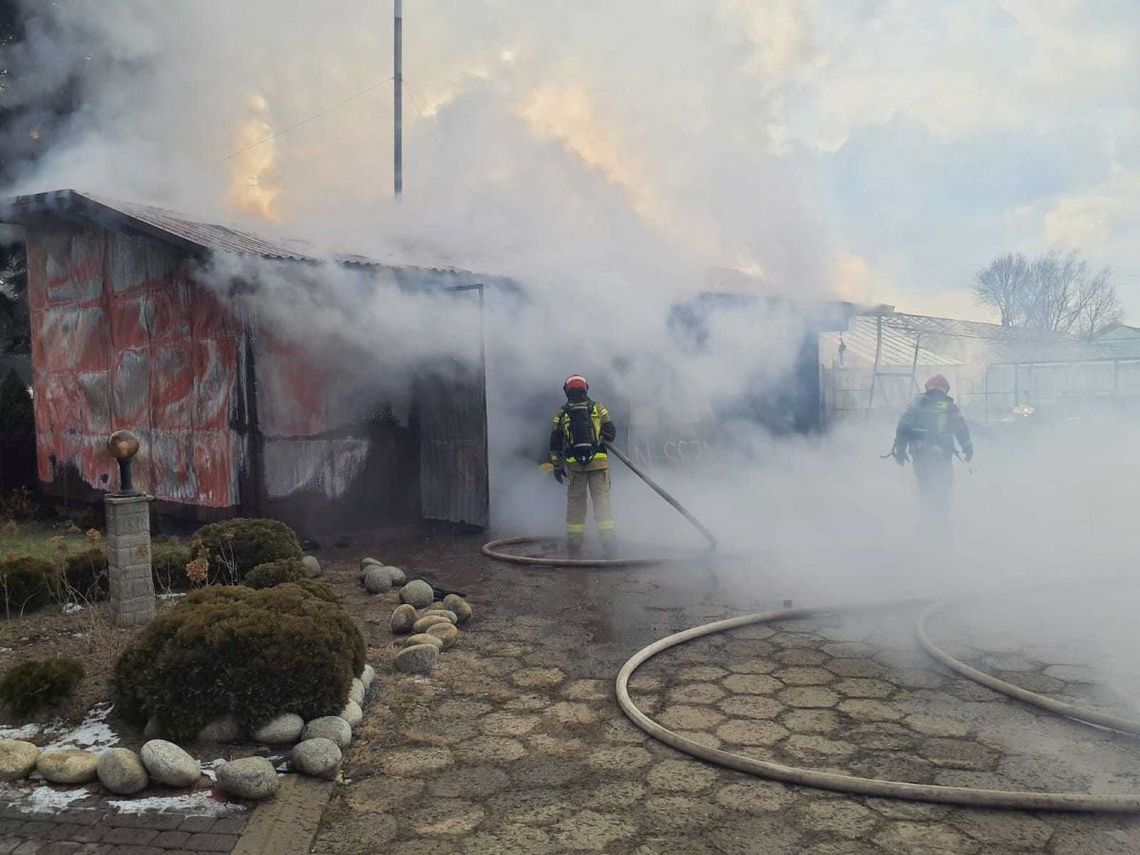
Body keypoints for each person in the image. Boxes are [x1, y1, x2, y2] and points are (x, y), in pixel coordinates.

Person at [548, 375, 617, 555]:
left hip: (575, 467)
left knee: (576, 504)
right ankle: (608, 543)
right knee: (602, 502)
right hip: (599, 464)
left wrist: (556, 465)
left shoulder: (561, 414)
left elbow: (555, 443)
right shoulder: (598, 408)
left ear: (567, 391)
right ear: (586, 389)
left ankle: (574, 543)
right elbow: (611, 432)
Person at [892, 374, 973, 512]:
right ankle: (941, 515)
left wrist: (900, 449)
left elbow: (903, 427)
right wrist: (968, 448)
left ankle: (925, 513)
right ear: (945, 390)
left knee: (924, 483)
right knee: (943, 486)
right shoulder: (949, 406)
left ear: (927, 387)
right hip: (942, 455)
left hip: (919, 453)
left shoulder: (916, 405)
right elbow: (961, 429)